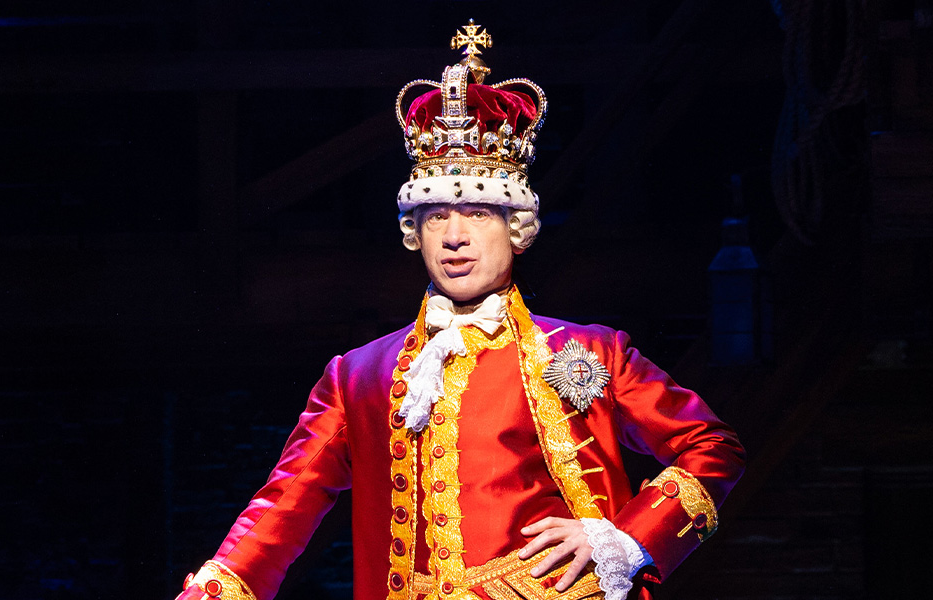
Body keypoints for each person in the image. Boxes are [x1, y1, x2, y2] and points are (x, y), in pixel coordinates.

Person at [176, 21, 744, 600]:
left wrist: (625, 538)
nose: (454, 236)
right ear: (414, 233)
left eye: (476, 214)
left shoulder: (591, 351)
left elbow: (713, 447)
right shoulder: (359, 376)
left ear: (516, 229)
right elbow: (283, 504)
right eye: (436, 218)